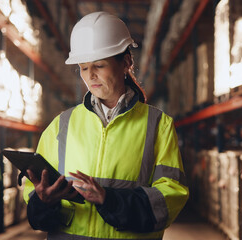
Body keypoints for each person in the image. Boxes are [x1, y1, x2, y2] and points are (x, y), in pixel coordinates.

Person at [23, 11, 189, 240]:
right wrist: (43, 200)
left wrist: (109, 200)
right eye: (83, 67)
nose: (90, 75)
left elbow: (169, 199)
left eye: (99, 65)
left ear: (126, 62)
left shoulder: (159, 126)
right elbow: (33, 192)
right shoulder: (61, 125)